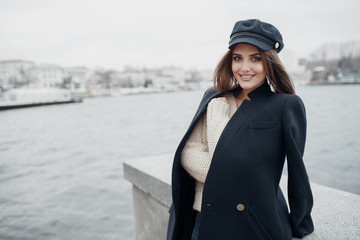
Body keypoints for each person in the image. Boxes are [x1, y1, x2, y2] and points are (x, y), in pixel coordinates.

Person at [166, 19, 314, 240]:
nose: (245, 68)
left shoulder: (285, 105)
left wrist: (299, 223)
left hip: (247, 226)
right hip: (198, 221)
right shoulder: (213, 96)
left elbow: (297, 174)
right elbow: (188, 153)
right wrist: (232, 171)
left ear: (270, 62)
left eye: (255, 58)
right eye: (238, 58)